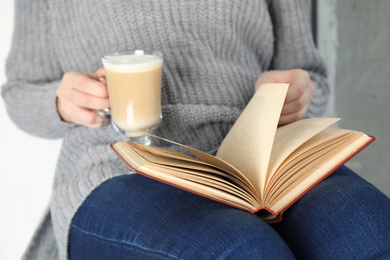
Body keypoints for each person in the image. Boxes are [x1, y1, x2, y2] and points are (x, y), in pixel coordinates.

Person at [2, 0, 390, 259]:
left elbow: (312, 78)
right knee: (241, 250)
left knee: (372, 229)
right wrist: (60, 102)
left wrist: (300, 93)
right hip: (121, 160)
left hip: (258, 156)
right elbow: (20, 92)